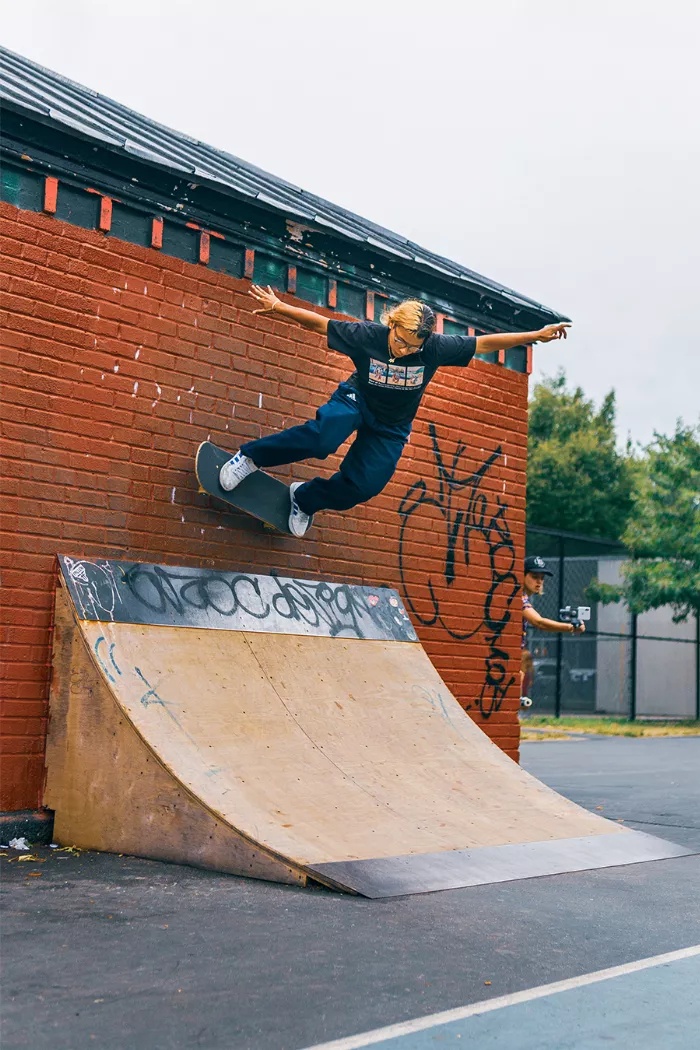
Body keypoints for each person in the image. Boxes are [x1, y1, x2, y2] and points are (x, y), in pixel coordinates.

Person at [221, 285, 570, 537]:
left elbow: (486, 343)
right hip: (356, 400)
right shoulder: (367, 336)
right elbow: (319, 324)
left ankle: (305, 499)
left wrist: (534, 335)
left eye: (412, 347)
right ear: (392, 324)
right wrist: (280, 307)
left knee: (363, 486)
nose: (404, 351)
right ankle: (250, 458)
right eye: (400, 341)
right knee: (323, 439)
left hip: (391, 426)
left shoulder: (435, 349)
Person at [521, 555, 585, 706]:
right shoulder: (519, 598)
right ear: (521, 576)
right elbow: (539, 622)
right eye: (534, 576)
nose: (539, 582)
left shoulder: (523, 598)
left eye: (542, 578)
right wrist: (571, 627)